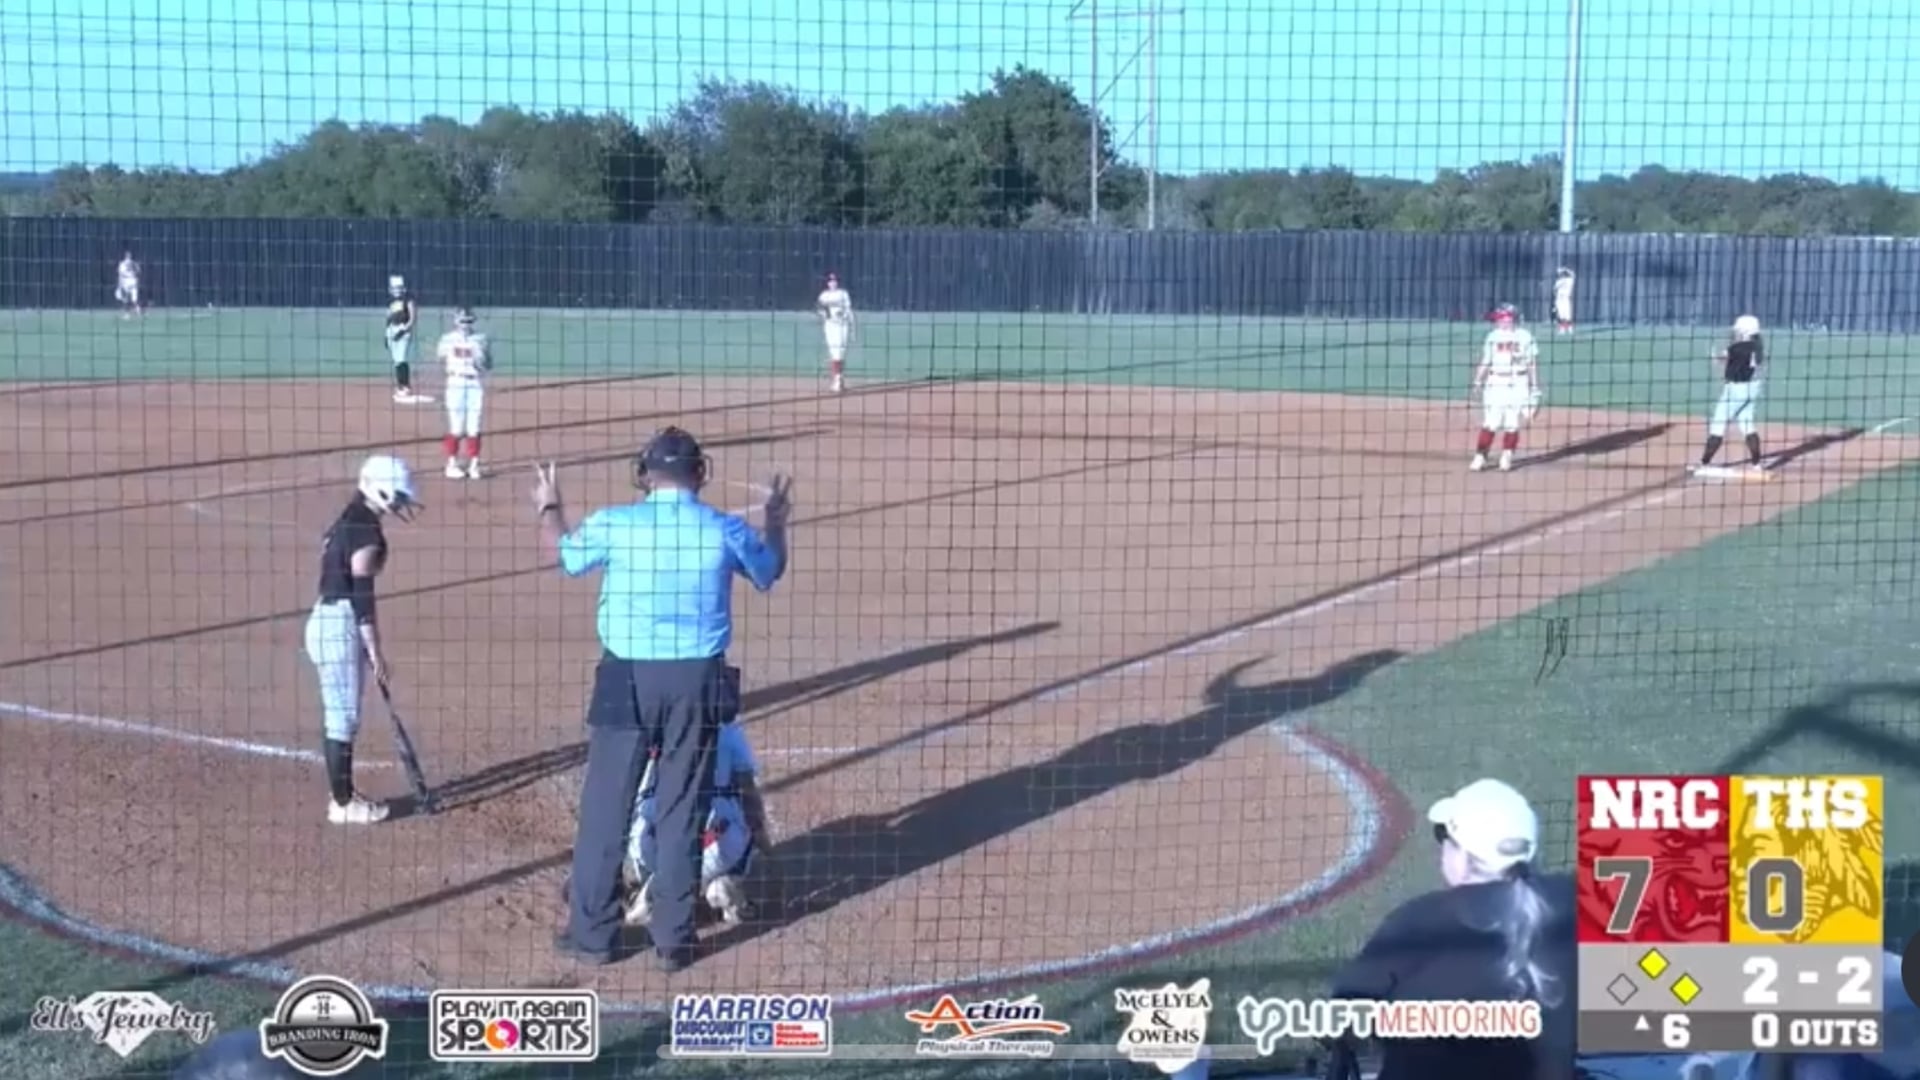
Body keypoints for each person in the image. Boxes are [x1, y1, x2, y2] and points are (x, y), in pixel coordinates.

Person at [533, 426, 792, 970]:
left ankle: (593, 935)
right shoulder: (723, 528)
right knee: (683, 806)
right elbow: (769, 571)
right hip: (697, 680)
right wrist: (774, 521)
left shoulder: (615, 523)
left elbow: (567, 557)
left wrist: (550, 507)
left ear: (645, 475)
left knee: (606, 807)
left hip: (626, 676)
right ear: (699, 473)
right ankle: (673, 941)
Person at [1328, 778, 1577, 1080]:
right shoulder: (1571, 905)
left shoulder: (1417, 923)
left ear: (1465, 858)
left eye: (1444, 835)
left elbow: (1341, 1016)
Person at [304, 455, 422, 826]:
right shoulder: (366, 532)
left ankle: (342, 798)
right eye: (399, 496)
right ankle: (343, 803)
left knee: (340, 715)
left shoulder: (348, 518)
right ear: (382, 491)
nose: (402, 503)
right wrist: (375, 651)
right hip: (340, 625)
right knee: (342, 718)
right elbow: (362, 599)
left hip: (325, 620)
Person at [621, 706, 770, 928]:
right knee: (737, 829)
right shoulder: (727, 728)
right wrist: (762, 840)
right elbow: (747, 790)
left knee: (642, 823)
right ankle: (722, 883)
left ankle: (651, 888)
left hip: (651, 842)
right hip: (717, 843)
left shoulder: (647, 721)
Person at [1470, 303, 1543, 473]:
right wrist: (1477, 381)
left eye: (1501, 318)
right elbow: (1486, 360)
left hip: (1519, 383)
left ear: (1511, 318)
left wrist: (1535, 387)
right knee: (1491, 422)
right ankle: (1480, 456)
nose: (1498, 322)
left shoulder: (1525, 336)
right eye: (1498, 319)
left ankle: (1507, 455)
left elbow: (1532, 364)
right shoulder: (1492, 336)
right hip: (1495, 382)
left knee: (1512, 424)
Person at [1692, 315, 1766, 473]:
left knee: (1718, 425)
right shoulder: (1758, 347)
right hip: (1753, 388)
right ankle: (1757, 465)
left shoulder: (1737, 348)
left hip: (1735, 391)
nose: (1736, 332)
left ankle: (1704, 463)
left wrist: (1714, 356)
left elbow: (1723, 357)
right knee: (1747, 425)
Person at [436, 307, 491, 479]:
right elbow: (440, 357)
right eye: (462, 321)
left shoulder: (481, 339)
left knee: (474, 426)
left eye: (468, 321)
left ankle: (474, 465)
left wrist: (481, 359)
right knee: (457, 426)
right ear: (455, 321)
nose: (465, 325)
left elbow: (488, 365)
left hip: (474, 383)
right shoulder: (447, 339)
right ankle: (451, 464)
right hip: (455, 382)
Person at [385, 274, 429, 404]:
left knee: (401, 358)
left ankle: (405, 386)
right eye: (394, 288)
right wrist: (386, 334)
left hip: (403, 330)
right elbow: (388, 318)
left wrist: (404, 330)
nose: (397, 290)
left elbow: (412, 318)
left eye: (399, 287)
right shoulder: (390, 301)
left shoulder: (408, 300)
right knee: (396, 360)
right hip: (392, 330)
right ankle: (400, 385)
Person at [816, 271, 854, 393]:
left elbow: (848, 309)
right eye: (830, 281)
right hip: (830, 327)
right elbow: (819, 310)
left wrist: (846, 319)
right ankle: (838, 379)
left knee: (840, 353)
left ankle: (838, 379)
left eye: (835, 280)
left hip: (842, 326)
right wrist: (826, 315)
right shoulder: (824, 295)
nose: (833, 283)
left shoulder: (843, 294)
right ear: (827, 283)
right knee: (834, 353)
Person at [116, 251, 142, 318]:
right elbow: (139, 271)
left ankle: (127, 314)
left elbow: (120, 274)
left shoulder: (122, 263)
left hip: (126, 281)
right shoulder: (134, 263)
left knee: (126, 299)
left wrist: (119, 284)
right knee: (134, 298)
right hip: (133, 281)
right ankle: (138, 310)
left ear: (125, 256)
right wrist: (136, 279)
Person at [1553, 267, 1576, 335]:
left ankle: (1569, 328)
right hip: (1559, 299)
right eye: (1560, 274)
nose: (1561, 275)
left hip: (1566, 299)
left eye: (1562, 273)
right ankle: (1562, 329)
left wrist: (1565, 269)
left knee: (1567, 315)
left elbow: (1573, 274)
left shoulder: (1569, 280)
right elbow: (1554, 290)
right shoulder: (1559, 281)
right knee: (1561, 315)